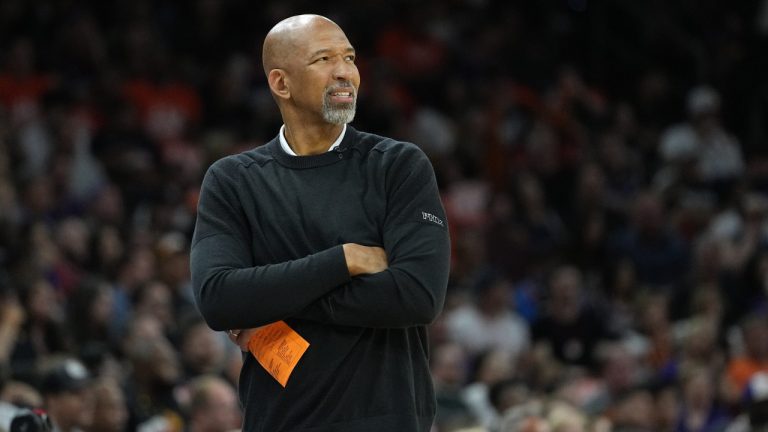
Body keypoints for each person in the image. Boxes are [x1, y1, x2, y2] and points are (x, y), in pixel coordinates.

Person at [190, 14, 451, 432]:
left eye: (349, 57)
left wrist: (270, 297)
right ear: (281, 83)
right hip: (279, 420)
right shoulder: (233, 180)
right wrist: (342, 260)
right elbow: (219, 299)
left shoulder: (398, 166)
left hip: (389, 419)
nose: (345, 72)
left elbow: (417, 296)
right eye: (324, 59)